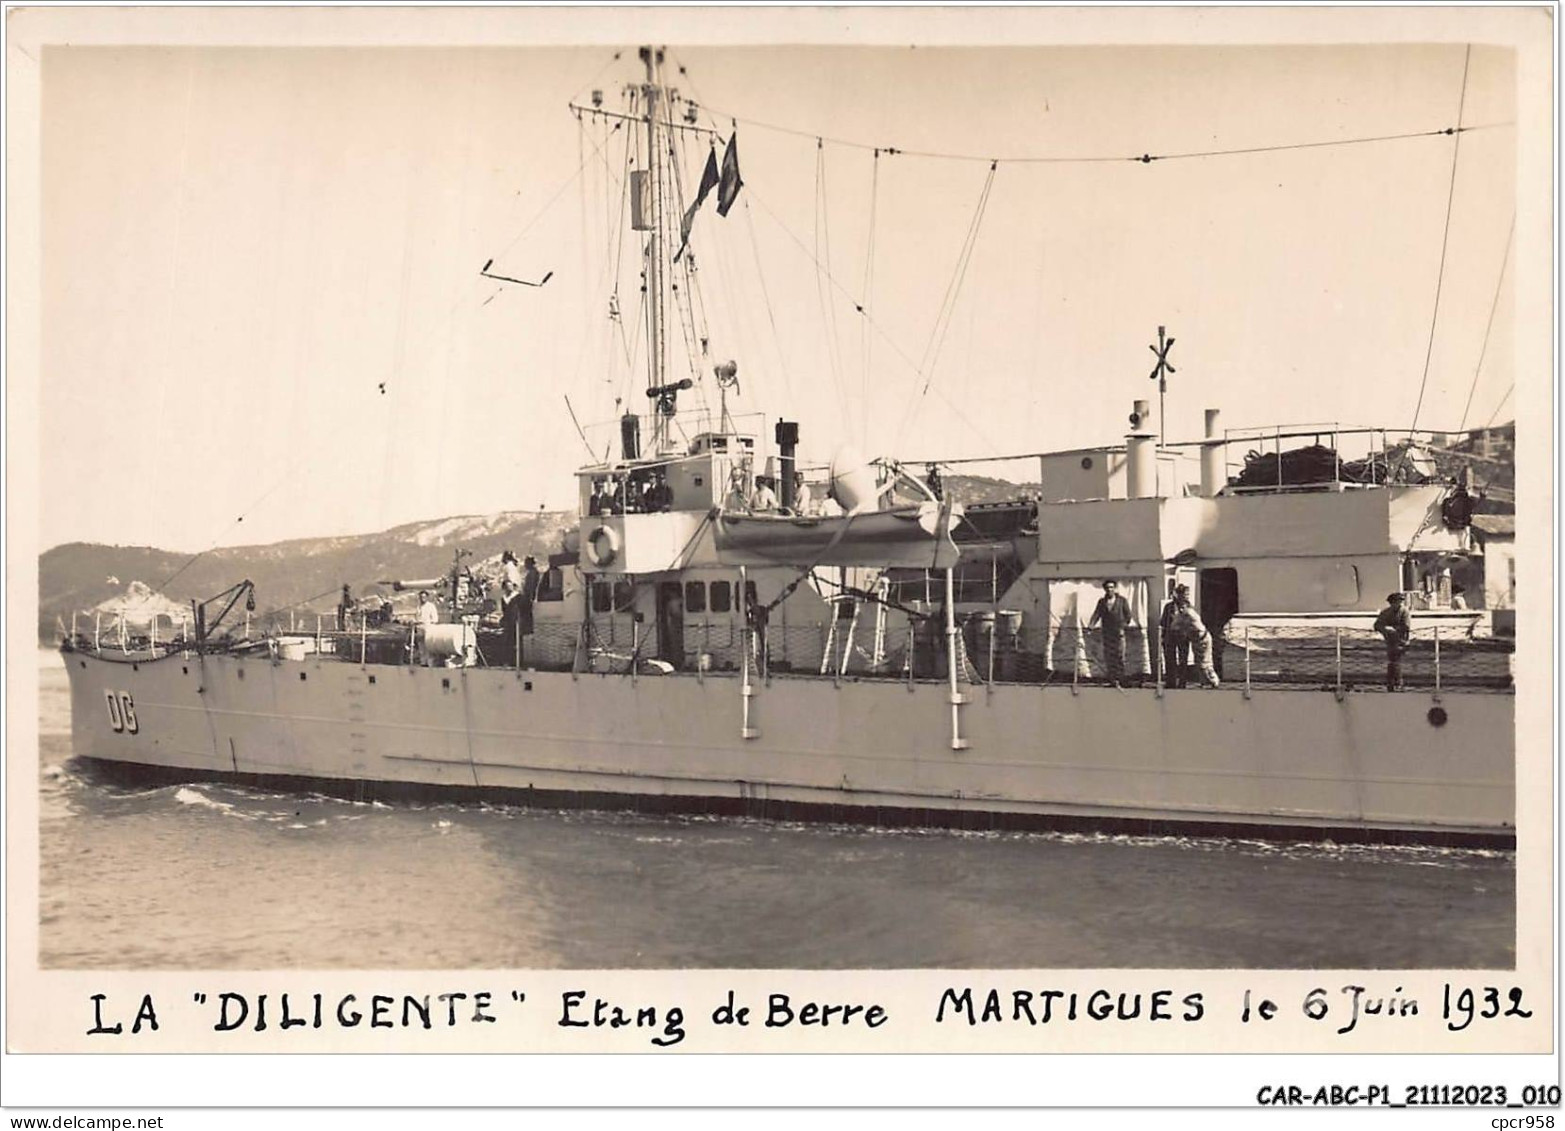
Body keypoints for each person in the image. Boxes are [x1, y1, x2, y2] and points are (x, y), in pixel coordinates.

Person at [1167, 588, 1220, 689]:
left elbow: (1174, 626)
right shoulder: (1186, 613)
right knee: (1199, 662)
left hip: (1201, 640)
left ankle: (1214, 681)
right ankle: (1204, 682)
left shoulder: (1188, 614)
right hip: (1196, 639)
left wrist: (1175, 617)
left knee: (1204, 662)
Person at [1086, 579, 1135, 686]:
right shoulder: (1102, 602)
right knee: (1109, 656)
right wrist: (1090, 627)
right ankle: (1113, 679)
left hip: (1119, 633)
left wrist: (1122, 626)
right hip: (1107, 634)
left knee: (1120, 656)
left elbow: (1128, 616)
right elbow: (1096, 615)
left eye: (1112, 587)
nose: (1110, 590)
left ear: (1115, 588)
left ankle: (1121, 679)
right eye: (1107, 588)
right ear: (1104, 589)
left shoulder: (1122, 601)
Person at [1374, 591, 1412, 691]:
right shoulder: (1386, 612)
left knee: (1396, 662)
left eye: (1400, 602)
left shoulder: (1404, 612)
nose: (1399, 604)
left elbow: (1406, 626)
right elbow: (1377, 625)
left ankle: (1398, 683)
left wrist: (1394, 629)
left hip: (1401, 640)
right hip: (1390, 641)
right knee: (1392, 662)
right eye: (1396, 602)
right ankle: (1392, 683)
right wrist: (1385, 629)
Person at [1159, 585, 1190, 688]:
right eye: (1184, 594)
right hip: (1170, 636)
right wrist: (1163, 636)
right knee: (1169, 659)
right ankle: (1170, 681)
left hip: (1183, 636)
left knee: (1183, 659)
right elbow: (1163, 622)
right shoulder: (1168, 607)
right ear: (1178, 595)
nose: (1186, 596)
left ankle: (1182, 682)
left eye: (1187, 594)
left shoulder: (1188, 607)